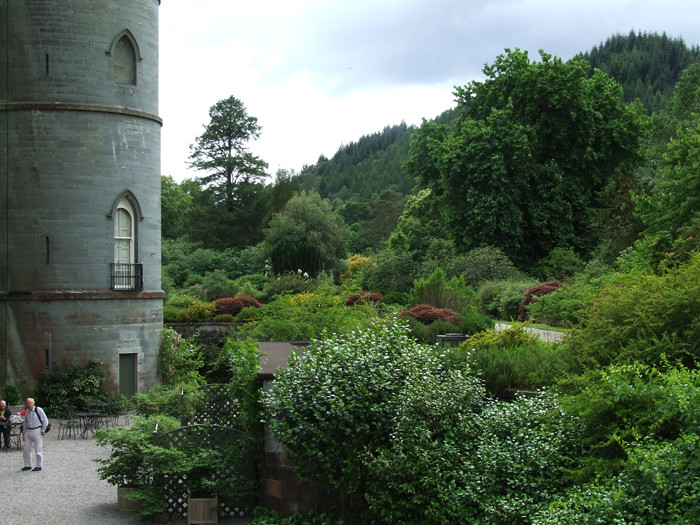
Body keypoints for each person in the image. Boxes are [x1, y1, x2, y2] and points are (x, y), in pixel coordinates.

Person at [21, 398, 49, 471]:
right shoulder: (27, 412)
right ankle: (27, 464)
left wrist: (43, 430)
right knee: (26, 449)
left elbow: (45, 420)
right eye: (28, 403)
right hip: (29, 431)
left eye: (31, 403)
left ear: (33, 403)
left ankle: (39, 465)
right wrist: (24, 434)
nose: (29, 405)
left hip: (37, 430)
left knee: (38, 448)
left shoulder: (38, 410)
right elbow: (25, 424)